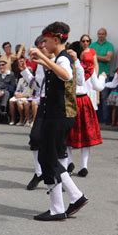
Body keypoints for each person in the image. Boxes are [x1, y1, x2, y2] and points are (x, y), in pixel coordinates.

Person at [29, 21, 88, 221]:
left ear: (55, 39)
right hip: (57, 115)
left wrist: (44, 58)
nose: (44, 45)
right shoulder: (61, 57)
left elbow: (65, 74)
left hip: (59, 115)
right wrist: (42, 61)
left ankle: (68, 201)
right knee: (48, 158)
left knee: (48, 158)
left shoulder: (63, 59)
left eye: (46, 41)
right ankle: (64, 203)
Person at [66, 43, 106, 177]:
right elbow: (99, 87)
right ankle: (84, 166)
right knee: (86, 135)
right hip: (84, 102)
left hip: (70, 102)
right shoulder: (89, 68)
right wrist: (103, 78)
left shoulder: (66, 66)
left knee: (67, 134)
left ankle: (69, 162)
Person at [22, 35, 47, 190]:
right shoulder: (38, 65)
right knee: (35, 138)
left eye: (43, 44)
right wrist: (24, 71)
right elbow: (37, 86)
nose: (41, 48)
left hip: (58, 105)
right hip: (44, 102)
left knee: (58, 145)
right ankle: (39, 172)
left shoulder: (60, 60)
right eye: (39, 45)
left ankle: (62, 178)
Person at [90, 28, 115, 125]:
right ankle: (94, 119)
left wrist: (95, 56)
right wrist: (101, 57)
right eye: (99, 34)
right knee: (93, 97)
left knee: (104, 98)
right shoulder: (93, 45)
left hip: (104, 75)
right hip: (93, 75)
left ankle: (104, 120)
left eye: (103, 34)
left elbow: (108, 58)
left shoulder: (109, 45)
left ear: (106, 35)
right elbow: (89, 58)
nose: (101, 35)